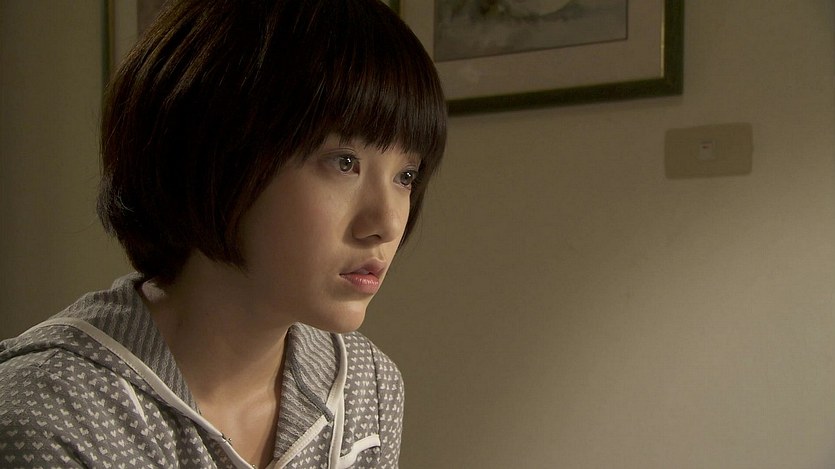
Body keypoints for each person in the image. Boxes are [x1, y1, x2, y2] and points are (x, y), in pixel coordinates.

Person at [0, 0, 447, 467]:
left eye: (406, 176)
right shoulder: (51, 419)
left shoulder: (366, 385)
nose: (387, 223)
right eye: (344, 162)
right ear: (219, 154)